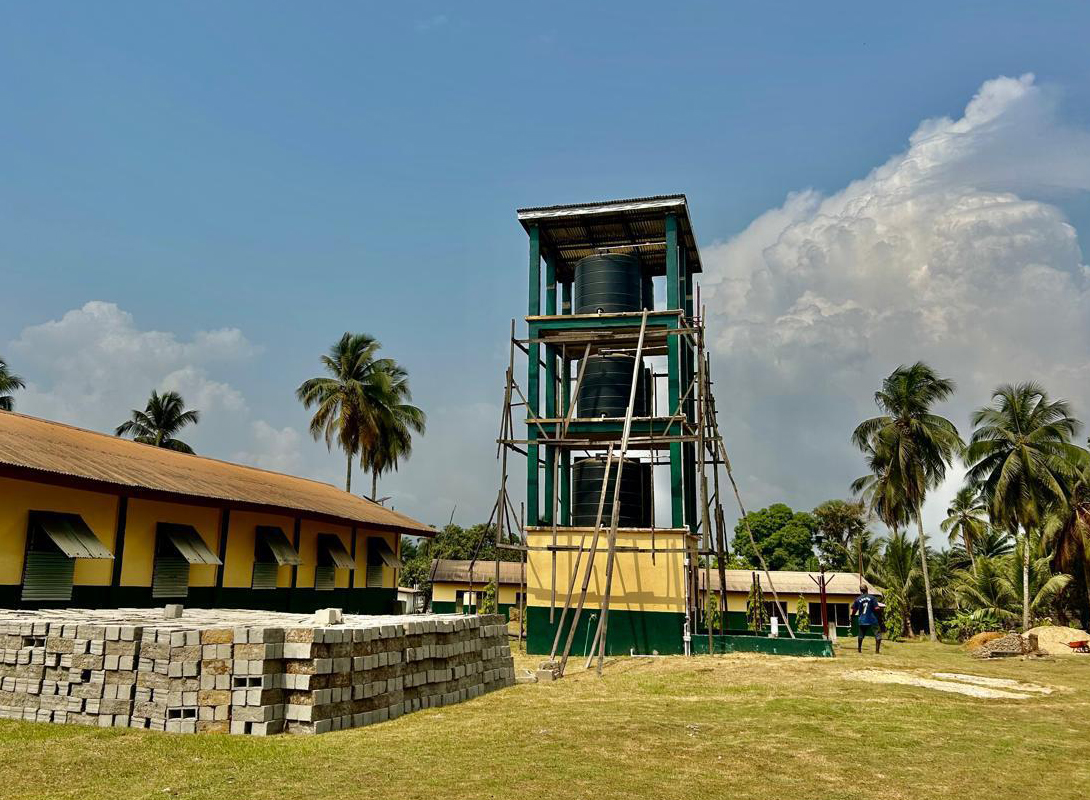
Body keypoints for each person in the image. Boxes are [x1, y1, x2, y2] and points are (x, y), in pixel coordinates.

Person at [851, 584, 882, 653]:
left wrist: (852, 616)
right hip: (872, 619)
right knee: (877, 634)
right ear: (867, 589)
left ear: (860, 590)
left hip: (862, 619)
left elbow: (854, 609)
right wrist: (880, 615)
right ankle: (877, 651)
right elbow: (876, 608)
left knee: (861, 635)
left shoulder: (858, 599)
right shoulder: (872, 598)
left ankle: (859, 650)